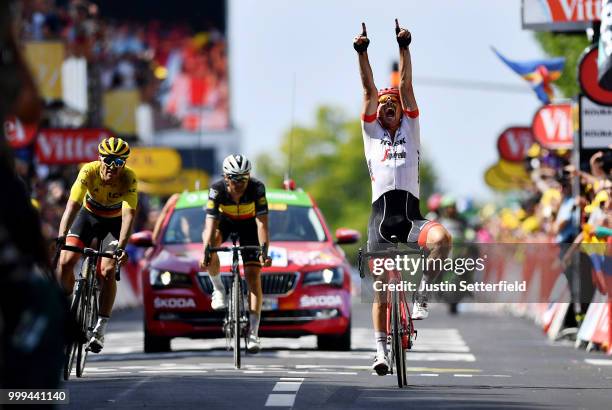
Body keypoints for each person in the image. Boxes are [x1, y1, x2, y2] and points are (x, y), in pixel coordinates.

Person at [354, 20, 452, 375]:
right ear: (375, 113)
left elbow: (406, 85)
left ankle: (423, 294)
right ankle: (380, 351)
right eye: (381, 104)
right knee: (381, 289)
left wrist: (404, 48)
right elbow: (367, 89)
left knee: (442, 239)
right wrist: (362, 53)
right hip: (381, 220)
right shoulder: (371, 134)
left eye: (391, 101)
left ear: (401, 109)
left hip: (411, 218)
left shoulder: (411, 127)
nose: (386, 105)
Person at [56, 137, 138, 353]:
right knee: (66, 261)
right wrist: (61, 235)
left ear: (125, 164)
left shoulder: (129, 178)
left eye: (119, 162)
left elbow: (129, 216)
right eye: (109, 160)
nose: (113, 166)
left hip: (115, 221)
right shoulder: (88, 171)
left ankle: (100, 328)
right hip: (88, 216)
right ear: (99, 158)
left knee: (108, 269)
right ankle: (67, 309)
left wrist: (122, 246)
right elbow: (72, 206)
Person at [200, 154, 272, 354]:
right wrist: (206, 249)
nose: (239, 183)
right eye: (234, 178)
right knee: (212, 240)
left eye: (244, 178)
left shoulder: (257, 188)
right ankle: (219, 290)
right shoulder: (217, 190)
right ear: (225, 177)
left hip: (249, 225)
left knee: (253, 276)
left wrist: (264, 252)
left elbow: (262, 223)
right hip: (226, 221)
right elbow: (211, 221)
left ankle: (254, 333)